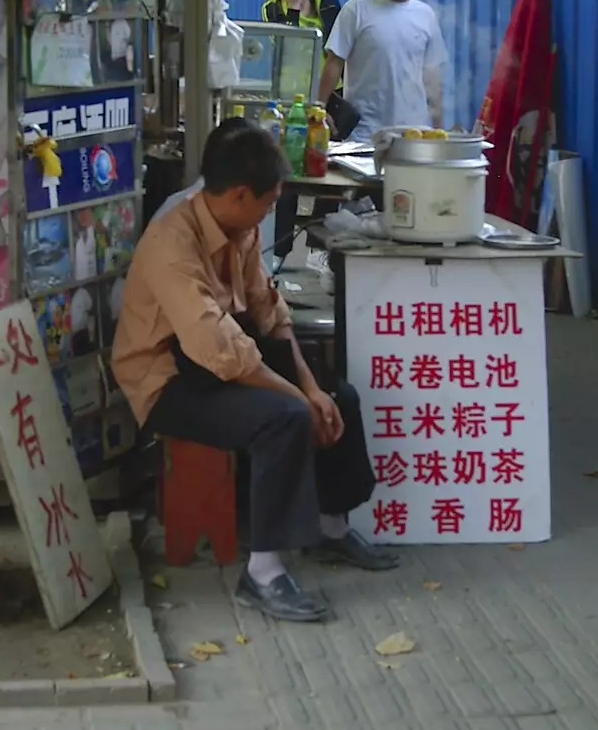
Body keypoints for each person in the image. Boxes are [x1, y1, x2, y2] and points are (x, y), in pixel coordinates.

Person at [113, 124, 395, 623]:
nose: (268, 214)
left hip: (218, 359)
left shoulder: (239, 229)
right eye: (266, 204)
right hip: (165, 379)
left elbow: (269, 313)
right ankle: (262, 572)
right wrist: (297, 397)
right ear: (240, 194)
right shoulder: (170, 242)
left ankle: (331, 527)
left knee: (339, 394)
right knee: (285, 417)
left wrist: (312, 386)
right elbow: (219, 350)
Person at [316, 0, 448, 141]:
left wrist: (439, 130)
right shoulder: (356, 9)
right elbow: (334, 63)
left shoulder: (426, 15)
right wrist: (319, 110)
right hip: (364, 135)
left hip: (415, 135)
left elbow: (432, 78)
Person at [262, 0, 341, 264]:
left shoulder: (327, 2)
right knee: (290, 172)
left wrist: (323, 100)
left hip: (328, 97)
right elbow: (285, 46)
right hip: (291, 99)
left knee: (329, 172)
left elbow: (338, 49)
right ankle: (280, 251)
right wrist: (293, 9)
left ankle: (318, 249)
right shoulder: (272, 7)